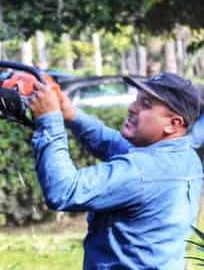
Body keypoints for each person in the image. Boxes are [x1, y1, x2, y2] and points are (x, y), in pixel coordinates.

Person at [29, 72, 203, 270]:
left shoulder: (142, 171)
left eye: (145, 104)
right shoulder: (186, 158)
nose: (132, 108)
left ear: (173, 124)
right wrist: (71, 114)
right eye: (136, 100)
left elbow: (64, 191)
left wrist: (49, 120)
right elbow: (114, 144)